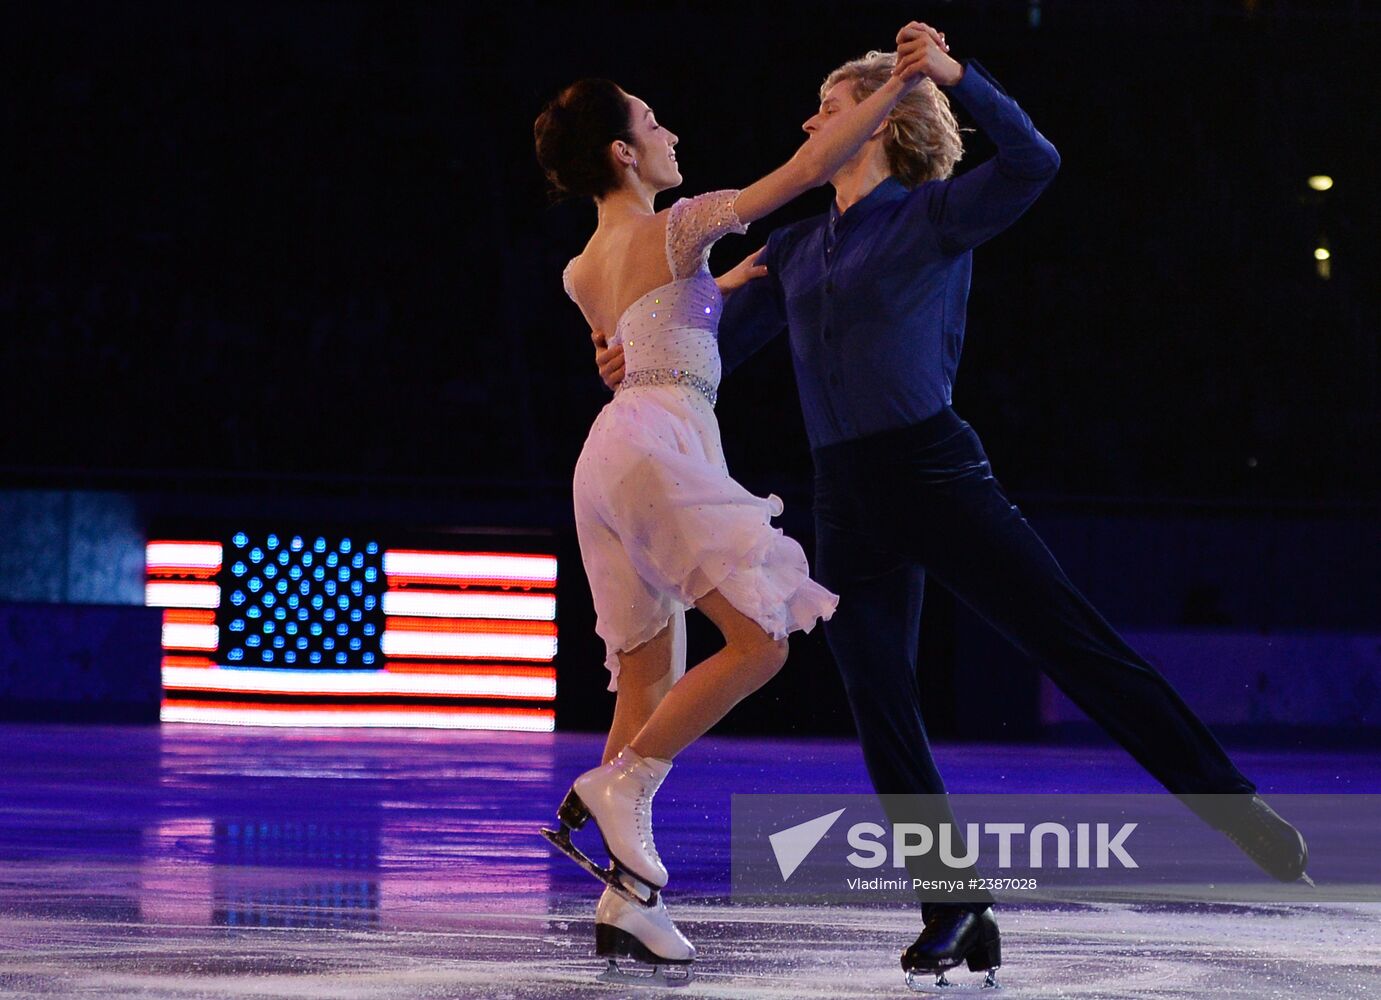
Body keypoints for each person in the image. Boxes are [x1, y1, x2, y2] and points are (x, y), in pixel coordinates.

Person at [592, 21, 1311, 988]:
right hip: (845, 494)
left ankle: (1231, 805)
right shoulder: (795, 247)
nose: (811, 120)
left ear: (882, 126)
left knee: (1074, 646)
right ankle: (955, 904)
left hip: (935, 473)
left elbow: (1036, 158)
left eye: (831, 108)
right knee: (881, 702)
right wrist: (634, 352)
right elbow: (706, 341)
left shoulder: (935, 215)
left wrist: (951, 74)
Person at [532, 33, 931, 983]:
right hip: (663, 442)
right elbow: (804, 168)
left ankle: (627, 902)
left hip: (608, 455)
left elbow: (654, 323)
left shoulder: (583, 268)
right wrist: (905, 87)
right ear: (623, 153)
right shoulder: (682, 224)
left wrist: (734, 282)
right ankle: (620, 784)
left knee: (644, 675)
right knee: (761, 638)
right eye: (651, 121)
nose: (671, 132)